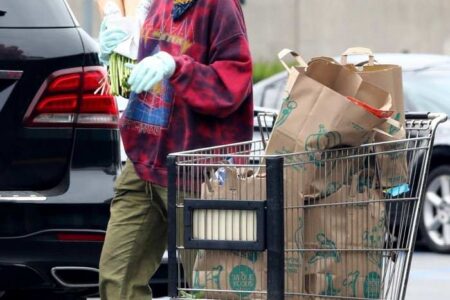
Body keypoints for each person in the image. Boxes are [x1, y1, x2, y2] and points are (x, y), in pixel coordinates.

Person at [97, 0, 253, 299]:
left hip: (196, 171)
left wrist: (174, 66)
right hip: (143, 162)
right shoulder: (158, 4)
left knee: (209, 287)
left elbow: (233, 82)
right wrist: (117, 54)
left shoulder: (219, 7)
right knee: (116, 279)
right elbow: (143, 83)